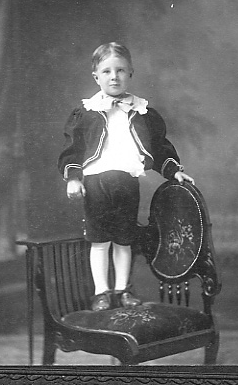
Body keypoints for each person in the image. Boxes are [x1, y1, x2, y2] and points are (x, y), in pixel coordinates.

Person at [58, 42, 195, 312]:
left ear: (130, 73)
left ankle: (122, 290)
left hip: (127, 183)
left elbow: (159, 147)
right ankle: (101, 292)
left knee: (124, 239)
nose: (114, 77)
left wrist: (173, 170)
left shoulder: (142, 112)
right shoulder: (85, 113)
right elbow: (73, 150)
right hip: (96, 183)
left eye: (120, 70)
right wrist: (73, 178)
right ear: (96, 77)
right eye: (107, 71)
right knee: (99, 240)